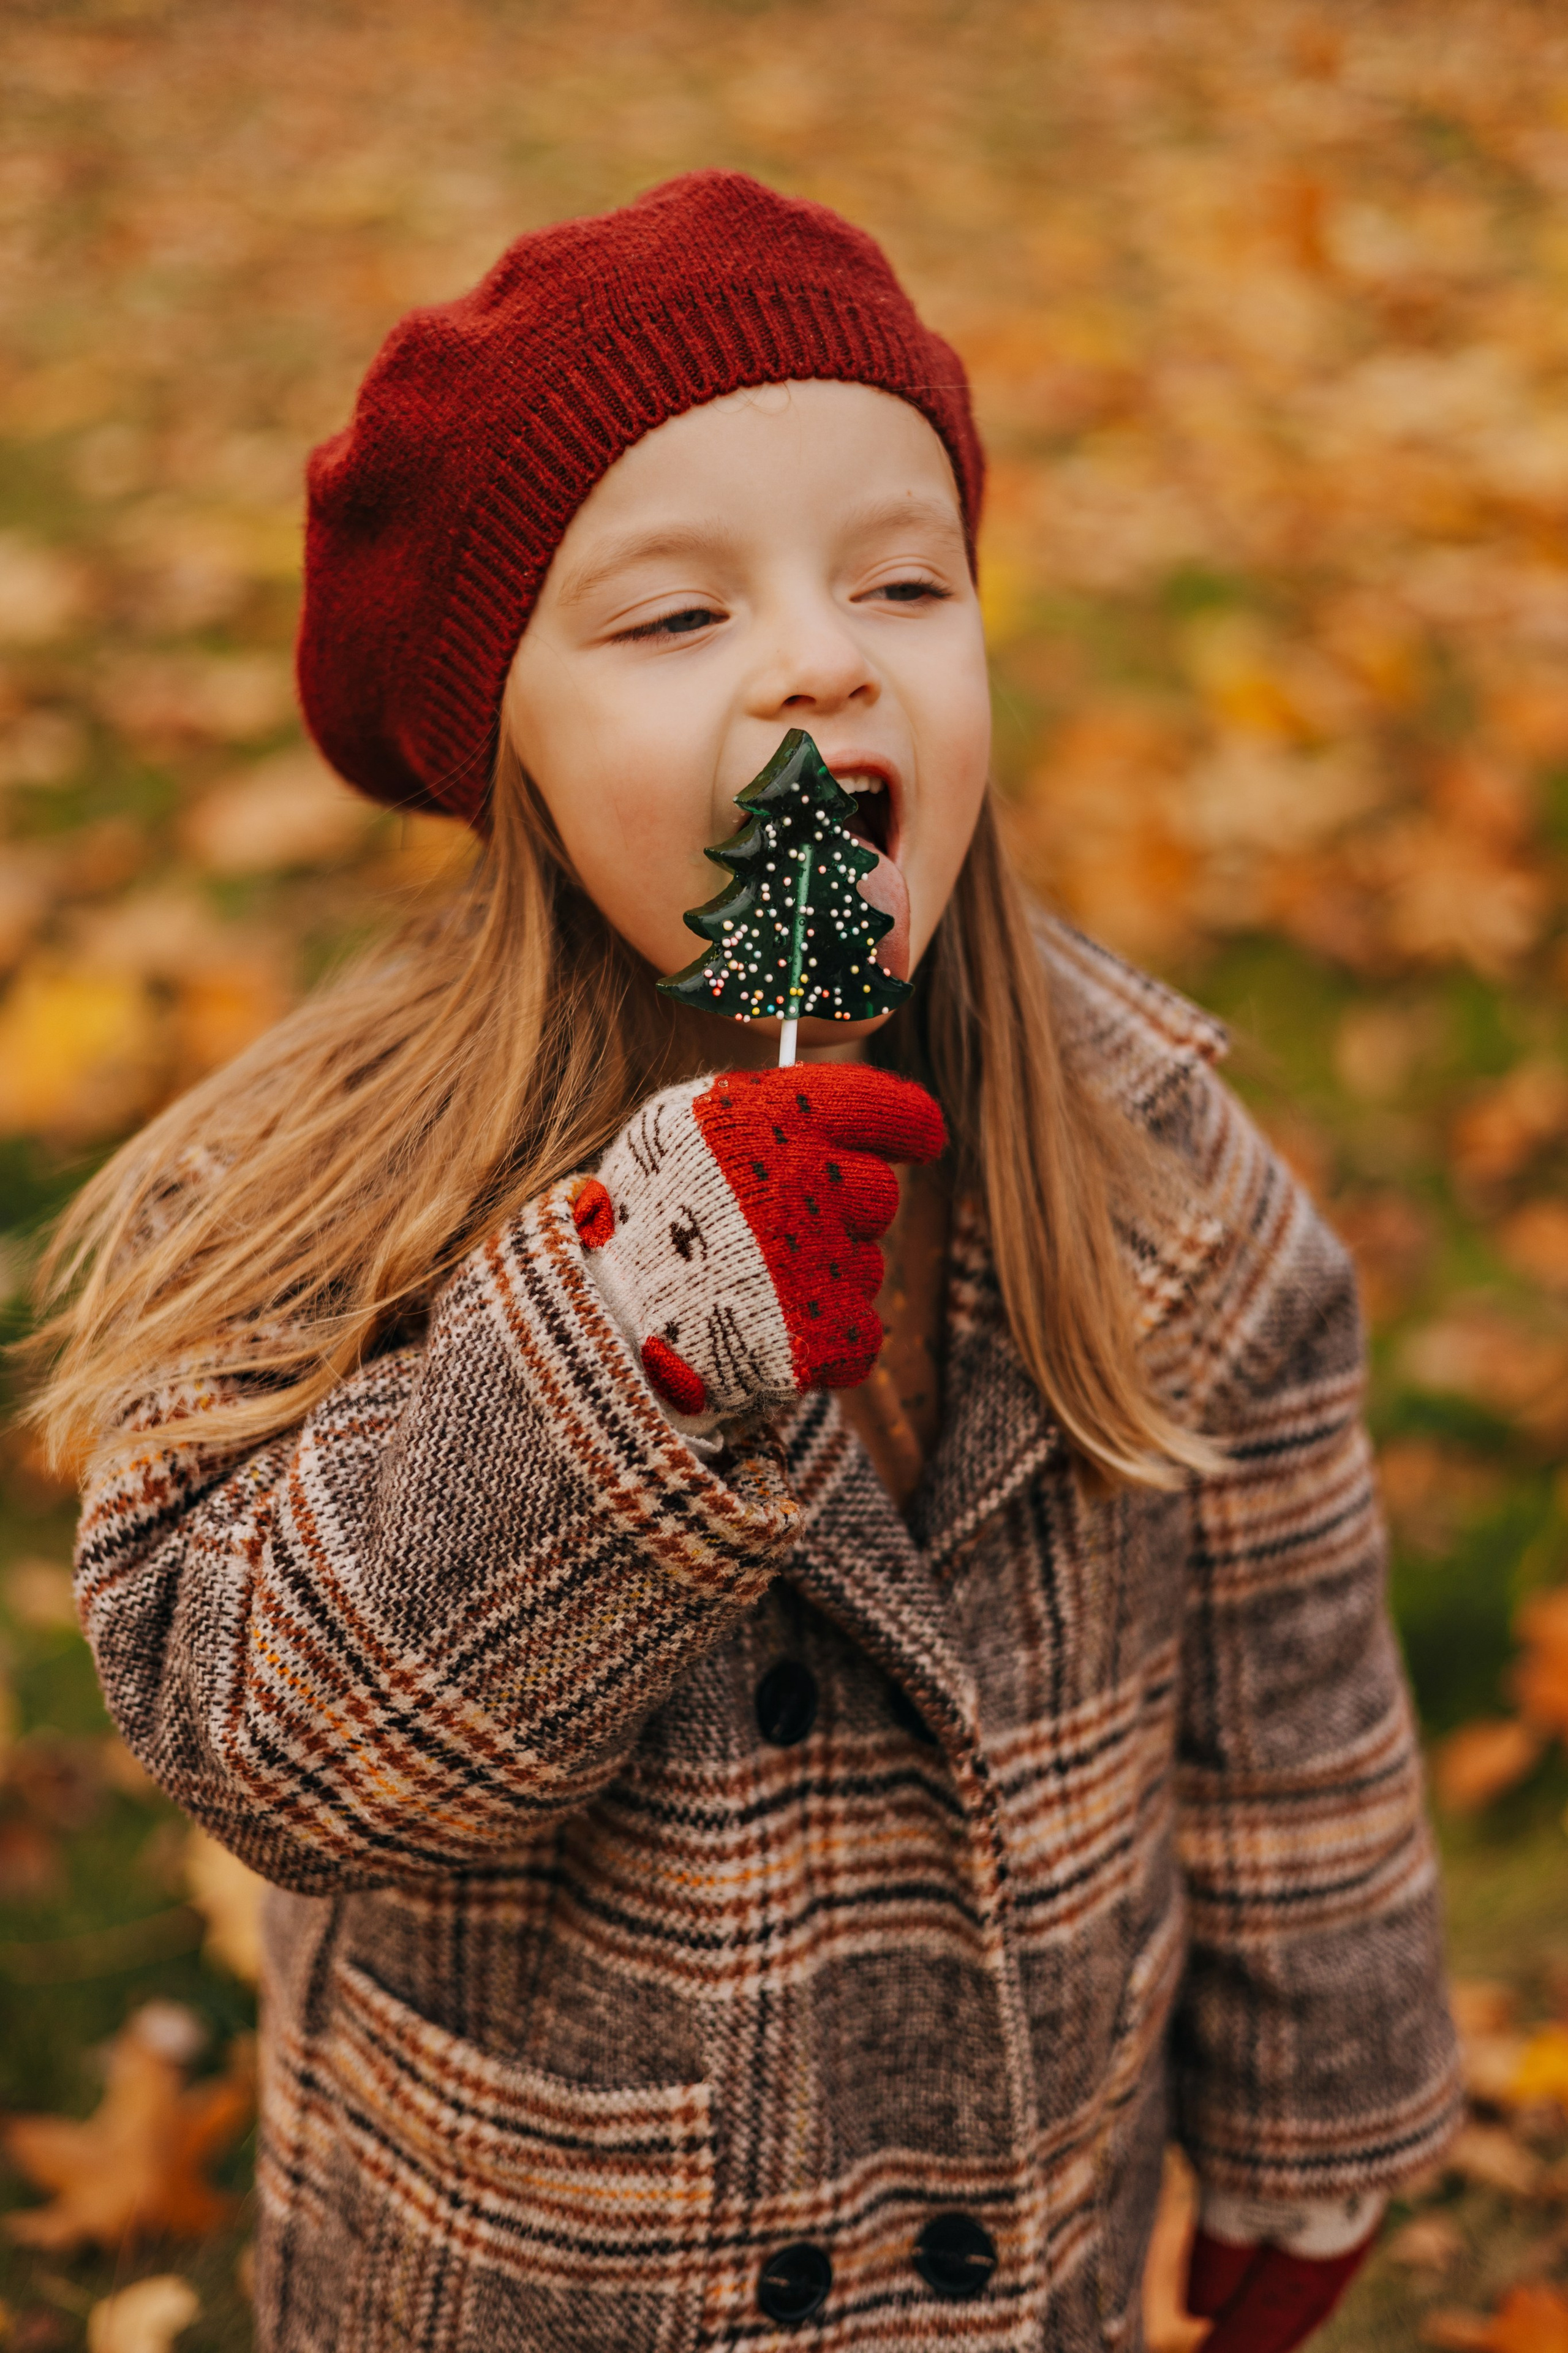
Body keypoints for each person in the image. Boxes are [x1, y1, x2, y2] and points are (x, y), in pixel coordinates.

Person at [34, 172, 1458, 2352]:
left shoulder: (1150, 1156)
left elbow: (1292, 1706)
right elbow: (260, 1732)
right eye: (676, 617)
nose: (820, 656)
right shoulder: (354, 1178)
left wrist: (1321, 2100)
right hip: (546, 2273)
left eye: (904, 578)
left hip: (1020, 2236)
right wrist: (629, 1344)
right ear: (505, 736)